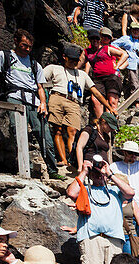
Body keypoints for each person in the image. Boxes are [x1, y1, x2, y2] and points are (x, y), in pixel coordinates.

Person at [0, 29, 59, 177]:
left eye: (29, 46)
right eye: (24, 45)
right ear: (16, 41)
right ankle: (25, 169)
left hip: (33, 100)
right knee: (18, 133)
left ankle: (53, 170)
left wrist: (43, 103)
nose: (27, 49)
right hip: (14, 97)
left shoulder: (35, 64)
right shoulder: (4, 56)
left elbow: (40, 87)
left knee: (44, 135)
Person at [66, 154, 135, 264]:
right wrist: (84, 171)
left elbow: (130, 193)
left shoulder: (114, 190)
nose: (98, 175)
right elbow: (71, 193)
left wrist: (109, 173)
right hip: (91, 238)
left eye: (100, 172)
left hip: (113, 239)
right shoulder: (84, 190)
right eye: (95, 172)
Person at [43, 45, 108, 175]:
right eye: (71, 59)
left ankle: (72, 159)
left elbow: (95, 91)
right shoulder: (54, 68)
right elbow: (40, 80)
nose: (74, 62)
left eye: (76, 60)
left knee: (73, 131)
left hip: (74, 102)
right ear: (64, 57)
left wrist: (109, 106)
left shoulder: (82, 74)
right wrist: (42, 99)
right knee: (57, 130)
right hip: (57, 97)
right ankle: (63, 159)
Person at [83, 27, 128, 116]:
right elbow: (88, 61)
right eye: (103, 36)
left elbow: (125, 59)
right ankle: (101, 123)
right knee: (97, 99)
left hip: (112, 76)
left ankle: (109, 124)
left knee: (111, 99)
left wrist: (117, 67)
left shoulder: (111, 48)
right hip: (98, 77)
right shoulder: (92, 49)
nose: (105, 38)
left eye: (107, 37)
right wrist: (86, 74)